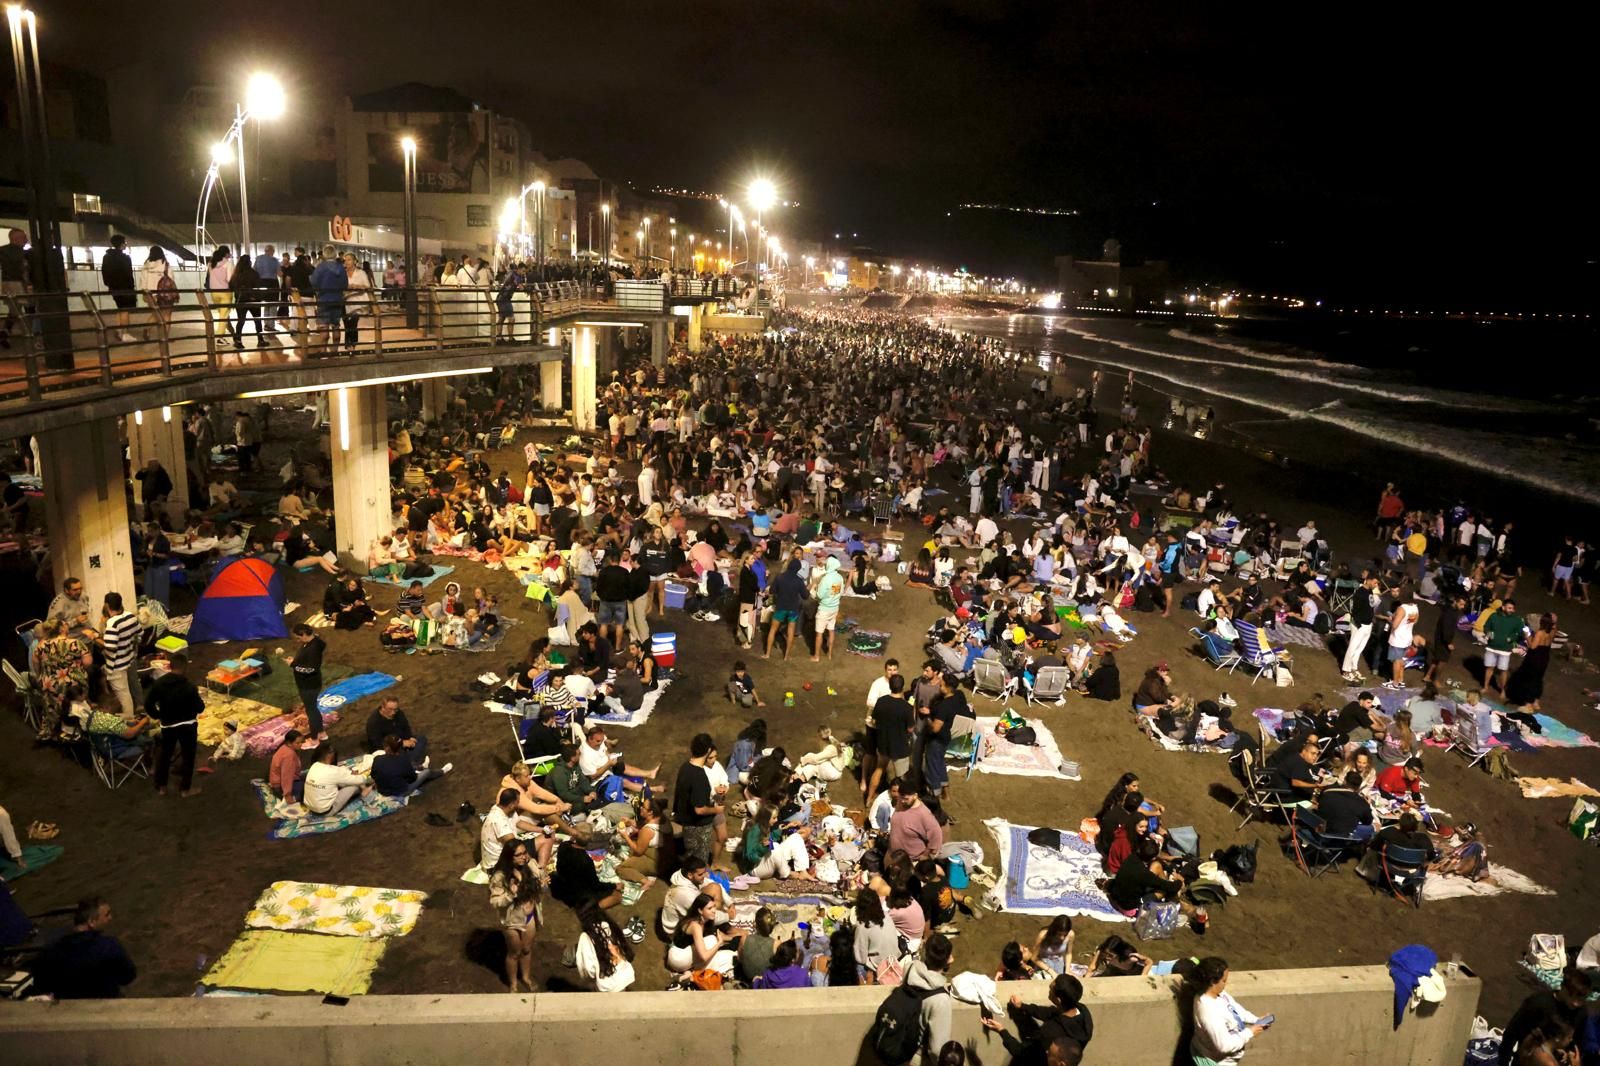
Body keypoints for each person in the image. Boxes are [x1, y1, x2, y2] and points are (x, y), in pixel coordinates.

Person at [30, 897, 137, 1000]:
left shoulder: (52, 949)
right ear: (91, 922)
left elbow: (41, 983)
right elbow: (128, 976)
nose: (110, 918)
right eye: (106, 915)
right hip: (106, 1004)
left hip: (68, 1009)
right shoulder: (109, 946)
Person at [981, 973, 1095, 1066]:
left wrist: (1002, 1030)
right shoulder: (1083, 1014)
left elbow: (1022, 1053)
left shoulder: (1050, 1032)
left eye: (1051, 989)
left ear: (1059, 1000)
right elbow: (1052, 1013)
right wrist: (1023, 1007)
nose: (1049, 990)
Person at [1499, 969, 1592, 1065]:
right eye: (1571, 995)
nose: (1575, 1003)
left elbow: (1577, 1040)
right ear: (1563, 987)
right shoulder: (1538, 1004)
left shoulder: (1581, 1012)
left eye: (1580, 999)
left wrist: (1568, 1052)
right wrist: (1503, 1062)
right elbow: (1512, 1033)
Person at [1190, 956, 1269, 1066]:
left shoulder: (1220, 994)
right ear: (1213, 981)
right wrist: (1250, 1032)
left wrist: (1256, 1020)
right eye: (1224, 980)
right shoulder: (1208, 1011)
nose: (1225, 984)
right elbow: (1224, 1046)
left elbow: (1236, 1010)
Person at [488, 839, 543, 993]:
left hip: (530, 915)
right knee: (515, 952)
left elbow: (538, 879)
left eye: (525, 853)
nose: (524, 857)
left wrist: (541, 881)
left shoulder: (529, 866)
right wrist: (510, 895)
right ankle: (513, 983)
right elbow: (494, 901)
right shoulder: (499, 877)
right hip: (512, 920)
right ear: (509, 857)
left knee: (526, 949)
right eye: (518, 855)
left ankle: (526, 977)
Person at [144, 654, 203, 797]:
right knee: (188, 756)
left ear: (170, 666)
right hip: (188, 725)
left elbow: (148, 704)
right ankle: (185, 789)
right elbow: (200, 707)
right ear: (185, 667)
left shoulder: (159, 684)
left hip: (168, 726)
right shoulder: (189, 686)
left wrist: (158, 715)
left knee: (165, 756)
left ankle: (161, 786)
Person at [672, 733, 724, 865]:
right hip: (698, 827)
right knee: (698, 862)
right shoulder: (699, 776)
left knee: (690, 856)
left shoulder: (685, 767)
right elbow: (700, 810)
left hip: (687, 823)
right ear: (707, 751)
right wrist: (716, 809)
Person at [903, 933, 955, 1061]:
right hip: (918, 1056)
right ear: (948, 960)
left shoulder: (909, 968)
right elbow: (937, 1050)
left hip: (902, 1045)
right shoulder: (941, 1000)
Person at [277, 623, 328, 742]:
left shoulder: (313, 649)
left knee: (311, 711)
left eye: (298, 637)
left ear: (304, 634)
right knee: (313, 709)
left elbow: (311, 669)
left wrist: (293, 665)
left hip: (309, 685)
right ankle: (322, 733)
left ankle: (315, 739)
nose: (297, 640)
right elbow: (307, 663)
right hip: (310, 683)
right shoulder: (312, 642)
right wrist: (296, 661)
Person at [97, 592, 142, 719]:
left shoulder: (112, 623)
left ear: (106, 605)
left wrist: (95, 637)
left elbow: (110, 647)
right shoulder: (130, 616)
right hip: (129, 658)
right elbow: (140, 633)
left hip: (116, 664)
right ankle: (134, 711)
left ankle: (129, 720)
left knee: (123, 693)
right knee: (129, 687)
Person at [574, 904, 636, 992]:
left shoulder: (586, 938)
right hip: (626, 973)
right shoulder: (610, 924)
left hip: (608, 984)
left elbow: (589, 969)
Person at [371, 734, 451, 796]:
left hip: (382, 790)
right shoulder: (403, 761)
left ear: (386, 748)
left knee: (409, 767)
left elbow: (373, 775)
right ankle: (442, 771)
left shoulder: (377, 759)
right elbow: (412, 779)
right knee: (427, 772)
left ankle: (421, 767)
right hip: (400, 791)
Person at [302, 745, 372, 816]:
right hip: (326, 811)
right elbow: (359, 780)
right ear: (330, 756)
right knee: (354, 785)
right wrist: (365, 777)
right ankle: (364, 790)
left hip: (311, 808)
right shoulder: (333, 771)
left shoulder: (314, 766)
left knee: (340, 782)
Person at [366, 696, 429, 768]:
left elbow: (406, 727)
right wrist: (401, 743)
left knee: (421, 738)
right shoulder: (374, 722)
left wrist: (409, 737)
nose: (393, 712)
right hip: (388, 749)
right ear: (382, 707)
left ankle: (408, 762)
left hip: (401, 741)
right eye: (390, 709)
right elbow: (377, 744)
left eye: (395, 709)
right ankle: (411, 764)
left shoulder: (399, 713)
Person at [764, 557, 806, 660]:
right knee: (791, 630)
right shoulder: (799, 581)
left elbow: (772, 591)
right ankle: (786, 656)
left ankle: (767, 654)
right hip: (793, 608)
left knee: (773, 629)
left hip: (781, 607)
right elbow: (805, 596)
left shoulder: (780, 577)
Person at [1482, 598, 1527, 695]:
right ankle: (1485, 687)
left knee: (1503, 670)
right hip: (1491, 647)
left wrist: (1512, 638)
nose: (1511, 610)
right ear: (1503, 607)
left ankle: (1503, 691)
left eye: (1513, 608)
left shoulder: (1517, 620)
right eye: (1509, 608)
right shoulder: (1494, 616)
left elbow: (1521, 633)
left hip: (1505, 650)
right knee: (1489, 668)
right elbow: (1486, 627)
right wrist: (1488, 633)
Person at [889, 786, 944, 860]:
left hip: (911, 860)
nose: (902, 801)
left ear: (915, 796)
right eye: (901, 797)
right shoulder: (902, 802)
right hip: (893, 855)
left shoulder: (924, 815)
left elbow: (936, 838)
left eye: (906, 799)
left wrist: (925, 856)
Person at [101, 235, 137, 342]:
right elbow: (129, 275)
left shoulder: (107, 257)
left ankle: (120, 330)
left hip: (114, 287)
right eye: (125, 242)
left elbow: (104, 272)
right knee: (125, 310)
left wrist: (109, 284)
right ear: (121, 244)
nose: (126, 244)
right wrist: (131, 288)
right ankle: (125, 333)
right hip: (125, 287)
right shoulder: (125, 258)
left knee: (120, 308)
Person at [810, 555, 846, 661]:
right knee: (831, 630)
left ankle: (816, 656)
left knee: (819, 633)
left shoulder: (826, 579)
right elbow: (841, 591)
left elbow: (820, 595)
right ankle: (829, 654)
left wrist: (814, 590)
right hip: (834, 608)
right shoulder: (839, 577)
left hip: (824, 609)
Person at [268, 731, 304, 804]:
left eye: (301, 742)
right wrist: (287, 795)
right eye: (298, 743)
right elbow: (287, 776)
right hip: (280, 785)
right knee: (308, 789)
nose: (301, 745)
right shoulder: (289, 756)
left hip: (279, 781)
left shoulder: (284, 747)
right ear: (289, 743)